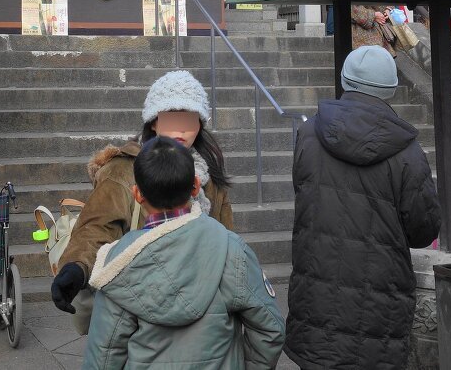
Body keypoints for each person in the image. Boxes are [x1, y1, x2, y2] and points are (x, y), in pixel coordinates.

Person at [286, 45, 440, 369]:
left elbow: (304, 193)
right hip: (379, 304)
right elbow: (423, 230)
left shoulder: (308, 134)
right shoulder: (408, 152)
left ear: (344, 80)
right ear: (391, 90)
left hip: (316, 295)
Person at [52, 70, 235, 329]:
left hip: (201, 305)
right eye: (171, 116)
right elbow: (96, 227)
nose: (181, 127)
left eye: (189, 117)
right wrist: (77, 267)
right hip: (139, 306)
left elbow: (227, 239)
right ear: (153, 122)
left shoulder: (209, 174)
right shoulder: (123, 170)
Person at [83, 137, 286, 370]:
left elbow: (104, 353)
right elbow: (270, 329)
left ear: (137, 194)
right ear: (196, 186)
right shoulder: (230, 247)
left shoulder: (118, 262)